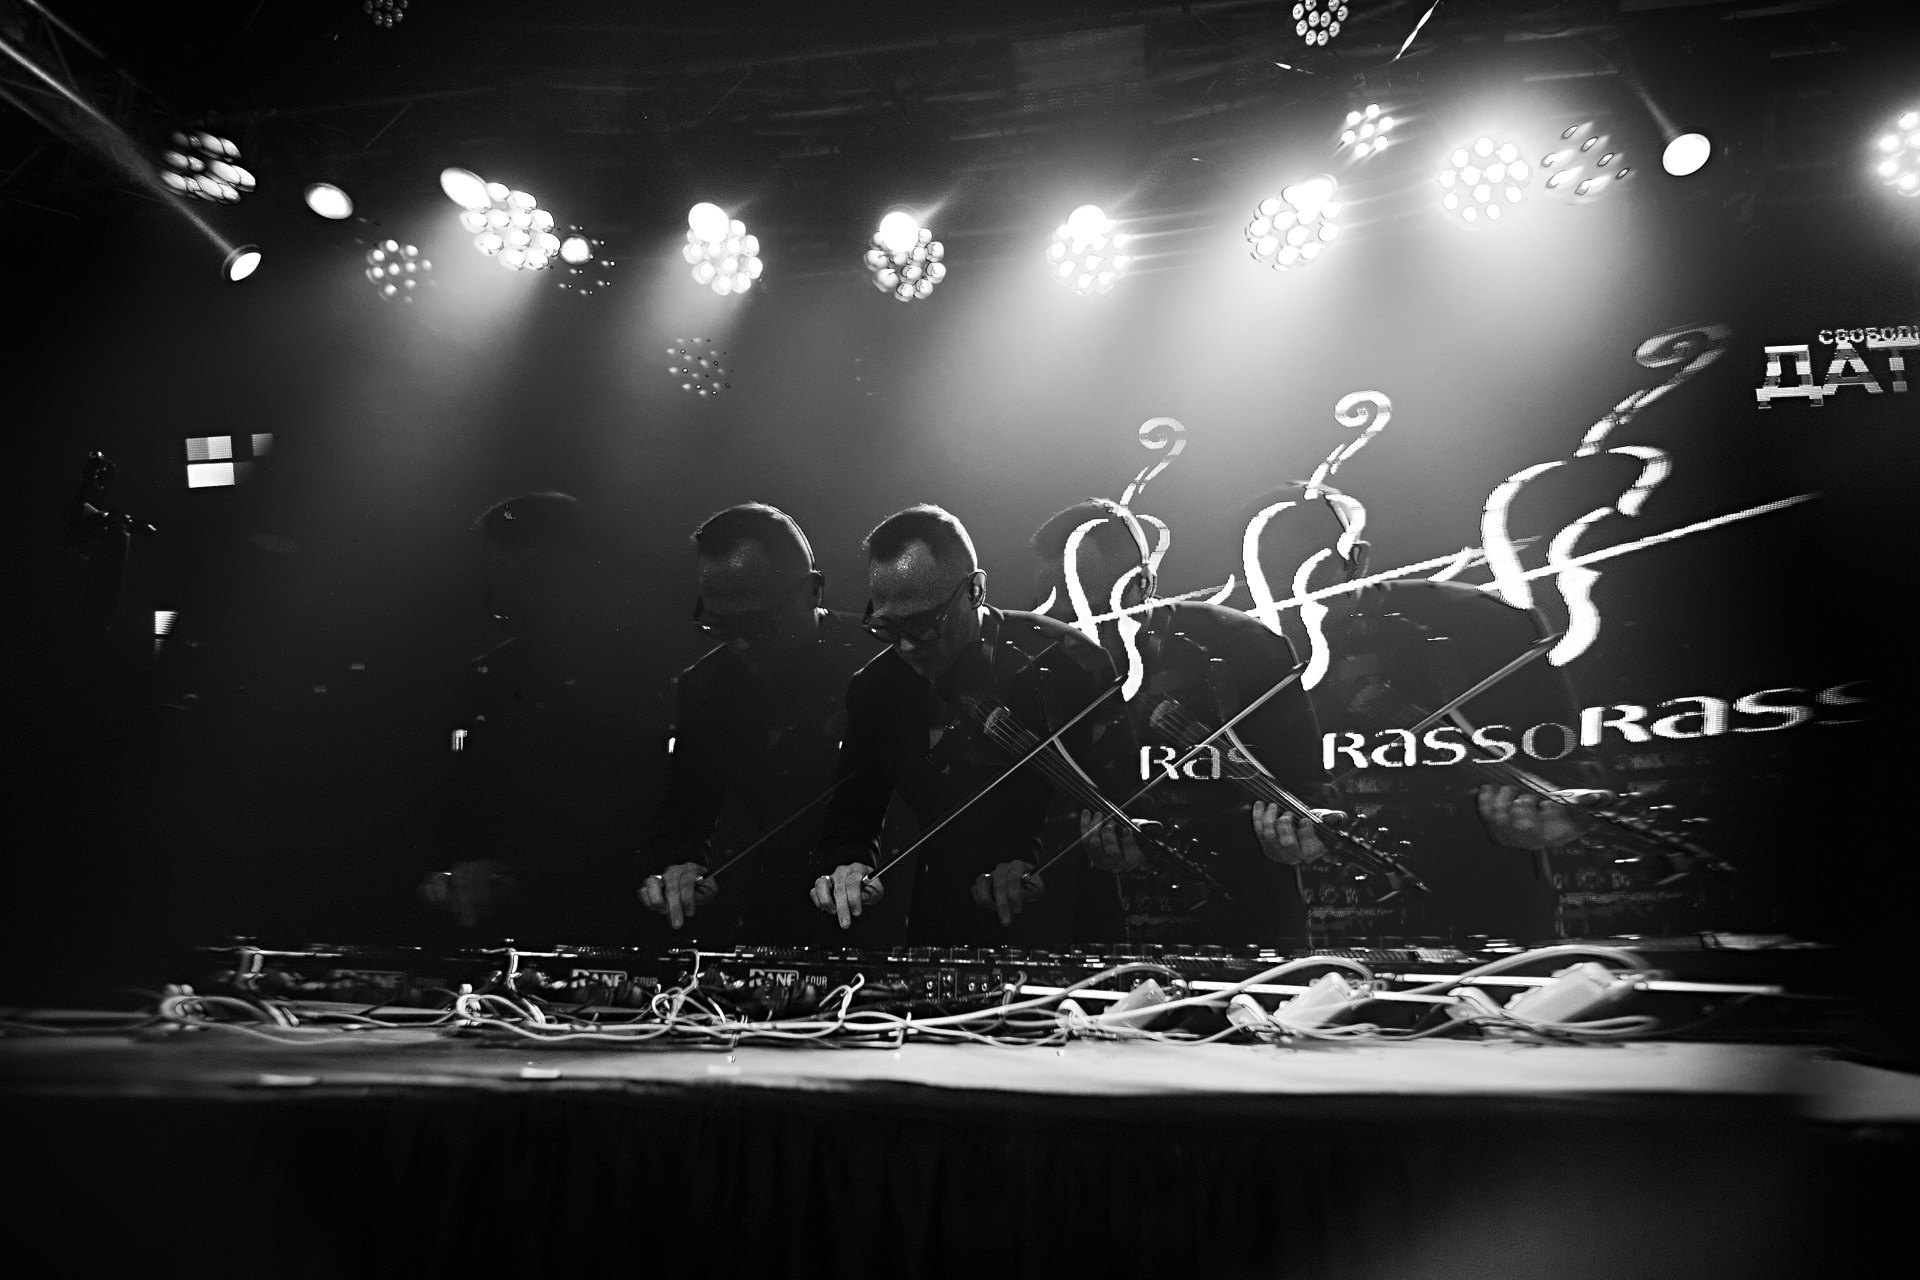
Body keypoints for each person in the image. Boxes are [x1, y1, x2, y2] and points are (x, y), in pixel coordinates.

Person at [811, 504, 1138, 945]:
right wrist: (849, 864)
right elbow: (854, 812)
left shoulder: (1071, 661)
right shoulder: (876, 685)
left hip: (1070, 927)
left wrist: (1039, 860)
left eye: (923, 624)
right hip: (940, 926)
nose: (906, 646)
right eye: (887, 626)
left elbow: (1120, 798)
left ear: (974, 590)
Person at [1029, 498, 1334, 947]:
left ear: (1143, 585)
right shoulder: (1041, 666)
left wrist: (1304, 835)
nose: (1076, 633)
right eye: (1058, 615)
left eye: (1091, 608)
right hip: (1104, 944)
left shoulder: (1243, 644)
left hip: (1245, 931)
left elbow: (1310, 790)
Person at [637, 504, 880, 943]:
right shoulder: (705, 685)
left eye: (759, 624)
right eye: (720, 626)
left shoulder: (881, 662)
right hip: (770, 912)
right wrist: (682, 862)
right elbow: (687, 805)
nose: (741, 644)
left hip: (884, 904)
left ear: (813, 591)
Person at [420, 491, 642, 937]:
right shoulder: (492, 671)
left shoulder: (630, 670)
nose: (496, 580)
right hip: (512, 905)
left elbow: (617, 810)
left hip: (601, 908)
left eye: (508, 563)